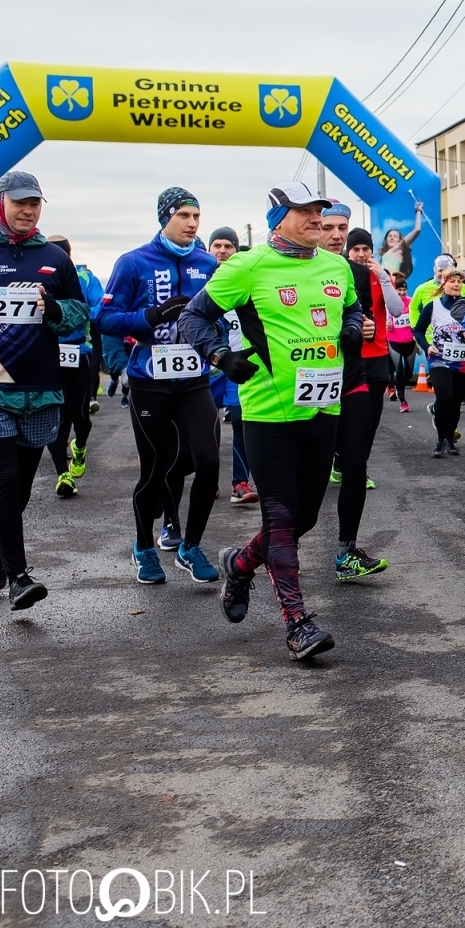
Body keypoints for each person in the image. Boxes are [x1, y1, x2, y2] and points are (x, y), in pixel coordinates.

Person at [178, 182, 361, 661]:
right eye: (306, 211)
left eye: (320, 211)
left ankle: (239, 564)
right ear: (280, 217)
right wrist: (220, 355)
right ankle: (298, 623)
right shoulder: (247, 265)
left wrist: (351, 327)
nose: (317, 219)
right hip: (266, 411)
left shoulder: (337, 266)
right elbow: (192, 318)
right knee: (280, 518)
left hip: (323, 407)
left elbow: (352, 309)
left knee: (304, 518)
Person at [98, 187, 222, 585]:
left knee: (207, 462)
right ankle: (144, 547)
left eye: (196, 217)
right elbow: (105, 319)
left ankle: (190, 546)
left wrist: (213, 333)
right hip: (150, 381)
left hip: (193, 379)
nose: (192, 224)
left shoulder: (208, 263)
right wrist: (150, 316)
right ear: (165, 218)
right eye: (184, 215)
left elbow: (223, 316)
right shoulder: (134, 262)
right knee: (155, 467)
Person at [0, 172, 87, 609]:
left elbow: (78, 318)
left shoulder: (54, 258)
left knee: (22, 486)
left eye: (35, 203)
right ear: (0, 203)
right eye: (19, 203)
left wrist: (53, 308)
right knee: (5, 478)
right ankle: (18, 577)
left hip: (41, 388)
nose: (28, 210)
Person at [333, 221, 398, 579]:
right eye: (355, 249)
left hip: (370, 361)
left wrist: (382, 278)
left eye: (363, 248)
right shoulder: (337, 271)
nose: (360, 253)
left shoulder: (371, 274)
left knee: (365, 433)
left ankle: (346, 551)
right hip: (328, 369)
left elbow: (396, 310)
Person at [45, 235, 103, 498]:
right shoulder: (40, 276)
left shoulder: (85, 279)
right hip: (48, 353)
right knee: (56, 416)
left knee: (80, 416)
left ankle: (79, 446)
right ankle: (62, 474)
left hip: (78, 351)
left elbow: (99, 309)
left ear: (67, 256)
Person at [206, 226, 258, 504]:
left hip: (236, 366)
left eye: (229, 246)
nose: (223, 251)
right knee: (205, 424)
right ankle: (207, 480)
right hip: (207, 366)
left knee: (239, 420)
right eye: (218, 246)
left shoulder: (246, 279)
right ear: (209, 250)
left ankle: (239, 483)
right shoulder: (201, 282)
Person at [415, 267, 465, 459]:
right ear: (444, 283)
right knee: (445, 398)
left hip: (463, 359)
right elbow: (418, 330)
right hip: (440, 358)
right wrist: (427, 347)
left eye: (460, 282)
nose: (457, 284)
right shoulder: (433, 306)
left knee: (456, 400)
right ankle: (441, 439)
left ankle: (450, 439)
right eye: (452, 281)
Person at [387, 274, 416, 412]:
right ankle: (403, 401)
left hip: (409, 341)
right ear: (395, 290)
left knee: (408, 373)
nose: (402, 293)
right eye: (399, 290)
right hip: (394, 341)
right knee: (399, 371)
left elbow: (416, 319)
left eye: (404, 290)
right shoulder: (390, 304)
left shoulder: (411, 302)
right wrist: (386, 324)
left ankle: (399, 386)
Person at [377, 201, 424, 278]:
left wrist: (418, 211)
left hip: (391, 285)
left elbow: (417, 229)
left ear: (400, 241)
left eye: (395, 236)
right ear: (386, 240)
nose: (392, 237)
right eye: (390, 236)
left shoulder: (398, 250)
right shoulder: (386, 253)